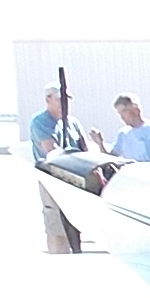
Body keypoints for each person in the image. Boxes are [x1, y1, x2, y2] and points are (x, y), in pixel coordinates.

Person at [29, 84, 103, 253]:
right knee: (56, 222)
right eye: (60, 99)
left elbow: (84, 148)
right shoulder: (40, 121)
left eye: (67, 99)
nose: (65, 103)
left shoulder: (73, 122)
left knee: (75, 222)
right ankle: (58, 258)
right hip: (52, 177)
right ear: (48, 100)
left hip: (75, 178)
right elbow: (51, 150)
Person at [109, 94, 150, 163]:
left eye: (124, 111)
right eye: (119, 113)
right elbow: (110, 158)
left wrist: (148, 164)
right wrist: (101, 144)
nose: (122, 117)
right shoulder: (123, 134)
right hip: (129, 170)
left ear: (135, 109)